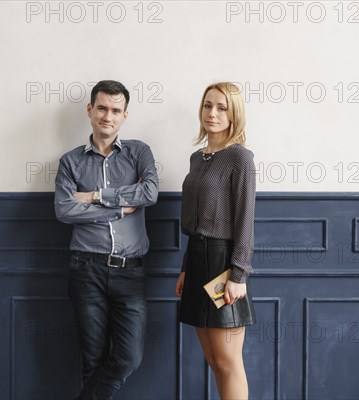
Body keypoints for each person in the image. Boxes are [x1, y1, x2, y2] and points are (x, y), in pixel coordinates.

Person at [54, 80, 159, 400]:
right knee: (92, 358)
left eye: (116, 110)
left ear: (125, 115)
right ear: (90, 110)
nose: (108, 116)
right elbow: (64, 210)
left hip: (131, 271)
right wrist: (117, 210)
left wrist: (97, 197)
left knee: (129, 357)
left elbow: (150, 192)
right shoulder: (70, 161)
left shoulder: (139, 152)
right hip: (86, 268)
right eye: (102, 108)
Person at [175, 82, 257, 400]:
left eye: (222, 108)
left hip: (223, 264)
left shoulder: (240, 158)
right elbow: (196, 222)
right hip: (197, 259)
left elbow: (244, 220)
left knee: (228, 361)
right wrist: (185, 268)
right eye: (208, 105)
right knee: (213, 360)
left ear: (234, 114)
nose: (213, 113)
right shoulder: (198, 158)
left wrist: (239, 274)